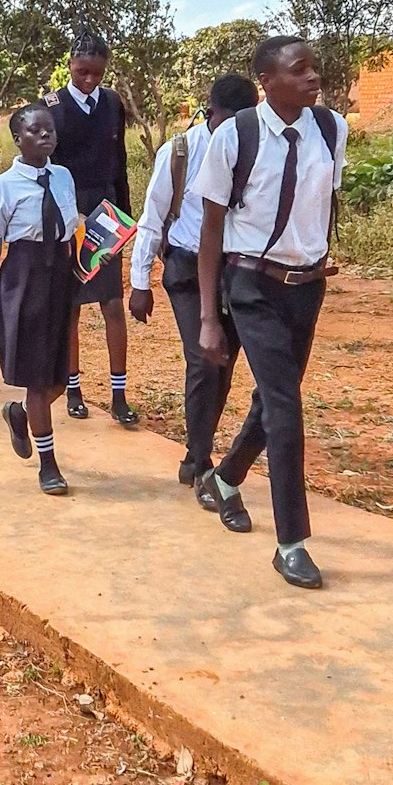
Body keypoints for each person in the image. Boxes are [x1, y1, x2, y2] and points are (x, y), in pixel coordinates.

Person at [189, 37, 346, 591]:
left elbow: (322, 204)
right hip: (252, 284)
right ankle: (291, 544)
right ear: (267, 81)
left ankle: (224, 479)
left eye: (314, 68)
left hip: (307, 287)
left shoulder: (331, 129)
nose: (312, 77)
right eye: (299, 70)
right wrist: (209, 317)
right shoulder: (235, 136)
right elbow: (211, 230)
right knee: (285, 407)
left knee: (276, 397)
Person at [130, 74, 259, 487]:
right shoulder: (180, 152)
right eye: (227, 120)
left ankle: (198, 450)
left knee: (224, 363)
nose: (234, 130)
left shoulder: (255, 147)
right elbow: (152, 215)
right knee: (204, 356)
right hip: (187, 267)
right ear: (210, 112)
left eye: (244, 121)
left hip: (235, 268)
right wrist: (140, 281)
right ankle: (200, 460)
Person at [0, 103, 82, 497]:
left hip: (60, 278)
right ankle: (48, 464)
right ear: (17, 139)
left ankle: (21, 413)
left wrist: (96, 255)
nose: (45, 135)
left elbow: (72, 228)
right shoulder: (4, 187)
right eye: (35, 130)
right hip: (24, 281)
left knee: (59, 377)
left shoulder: (63, 177)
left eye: (49, 129)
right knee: (37, 378)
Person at [45, 34, 138, 426]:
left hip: (106, 213)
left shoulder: (112, 103)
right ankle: (73, 389)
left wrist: (126, 217)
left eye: (97, 73)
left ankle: (119, 395)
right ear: (70, 64)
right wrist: (61, 219)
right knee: (70, 308)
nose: (89, 79)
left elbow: (119, 161)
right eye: (82, 71)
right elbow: (45, 168)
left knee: (112, 304)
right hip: (69, 215)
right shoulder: (52, 107)